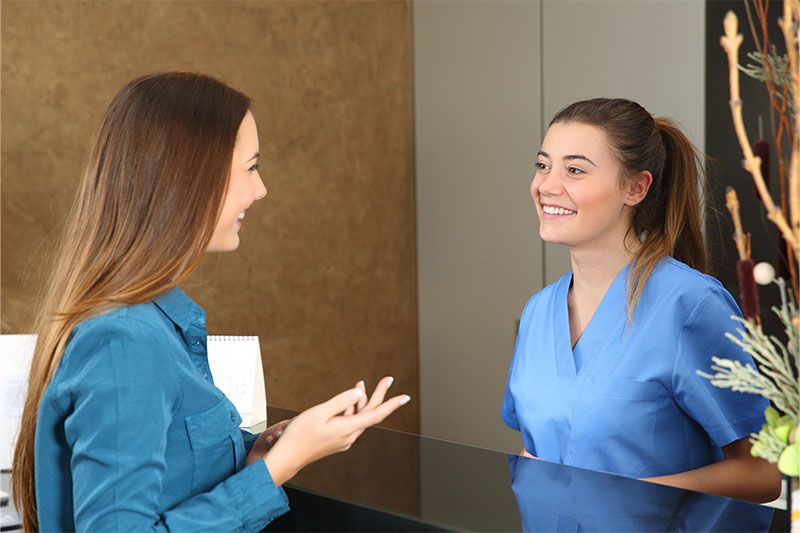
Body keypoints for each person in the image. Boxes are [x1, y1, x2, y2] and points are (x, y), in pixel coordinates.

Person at [11, 72, 410, 532]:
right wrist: (279, 468)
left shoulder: (156, 323)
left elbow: (176, 469)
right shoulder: (124, 342)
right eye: (252, 167)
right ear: (192, 178)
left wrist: (262, 452)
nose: (261, 190)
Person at [501, 98, 781, 503]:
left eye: (575, 170)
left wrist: (624, 500)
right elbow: (541, 450)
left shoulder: (690, 305)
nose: (546, 185)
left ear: (636, 187)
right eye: (543, 165)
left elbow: (762, 471)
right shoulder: (538, 312)